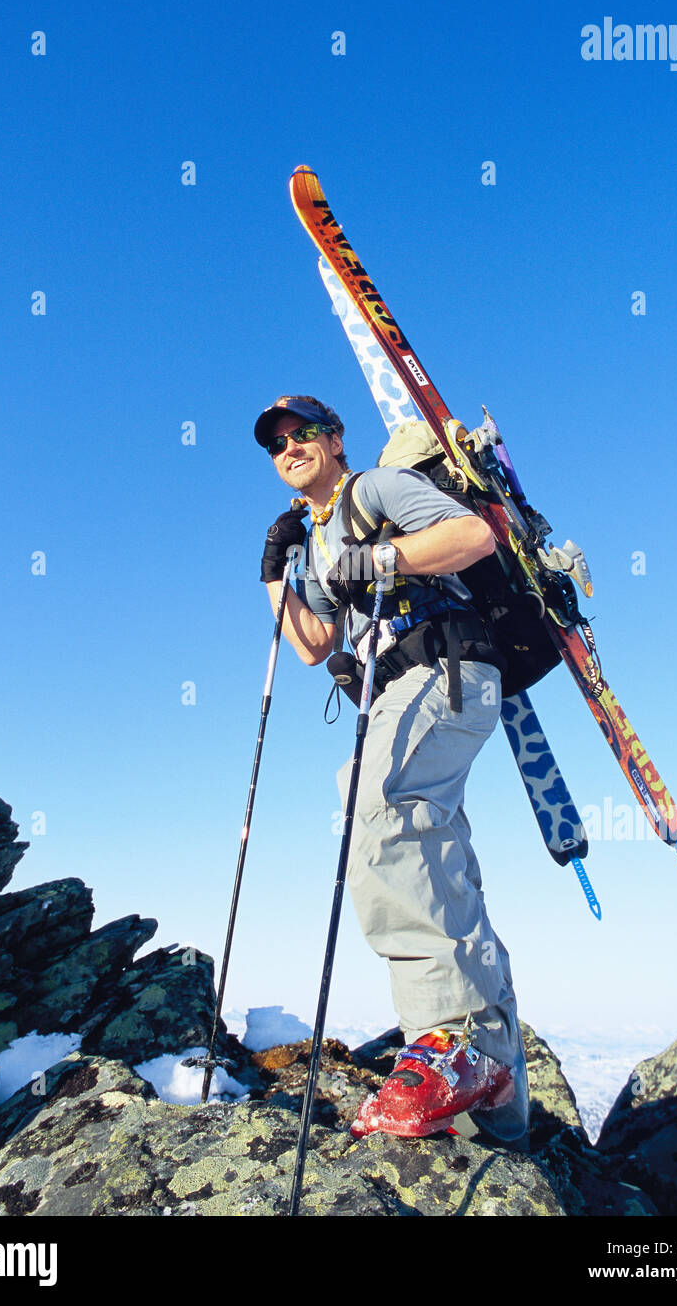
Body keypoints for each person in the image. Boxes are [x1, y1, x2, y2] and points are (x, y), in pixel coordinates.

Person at [255, 393, 528, 1140]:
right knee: (412, 833)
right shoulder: (311, 537)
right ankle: (501, 1103)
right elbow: (311, 645)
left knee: (383, 813)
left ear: (335, 440)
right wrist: (274, 568)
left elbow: (472, 534)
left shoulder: (371, 490)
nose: (289, 447)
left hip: (442, 669)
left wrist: (378, 555)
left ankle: (450, 1036)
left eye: (304, 432)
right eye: (276, 443)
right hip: (400, 690)